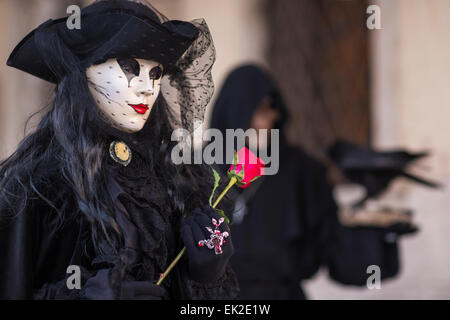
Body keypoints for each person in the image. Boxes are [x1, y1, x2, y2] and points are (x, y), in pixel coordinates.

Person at [0, 0, 238, 300]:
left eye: (156, 74)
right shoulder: (37, 185)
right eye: (129, 67)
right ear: (84, 71)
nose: (147, 88)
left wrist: (204, 276)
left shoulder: (172, 180)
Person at [210, 64, 413, 299]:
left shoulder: (301, 169)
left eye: (271, 108)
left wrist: (380, 234)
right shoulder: (196, 169)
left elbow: (333, 245)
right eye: (259, 110)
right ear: (234, 114)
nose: (268, 120)